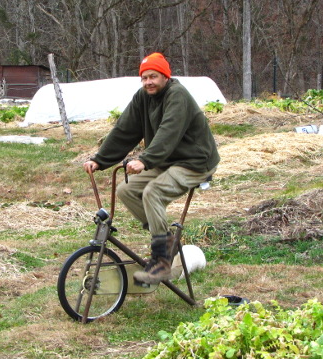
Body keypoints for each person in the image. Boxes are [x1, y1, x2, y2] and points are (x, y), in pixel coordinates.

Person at [83, 52, 220, 285]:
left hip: (195, 162)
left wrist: (145, 160)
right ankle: (168, 242)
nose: (148, 82)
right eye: (144, 78)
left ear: (165, 76)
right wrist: (100, 159)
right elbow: (125, 129)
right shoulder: (143, 97)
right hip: (166, 160)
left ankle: (161, 261)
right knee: (126, 190)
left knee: (153, 192)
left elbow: (169, 132)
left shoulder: (178, 96)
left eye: (153, 76)